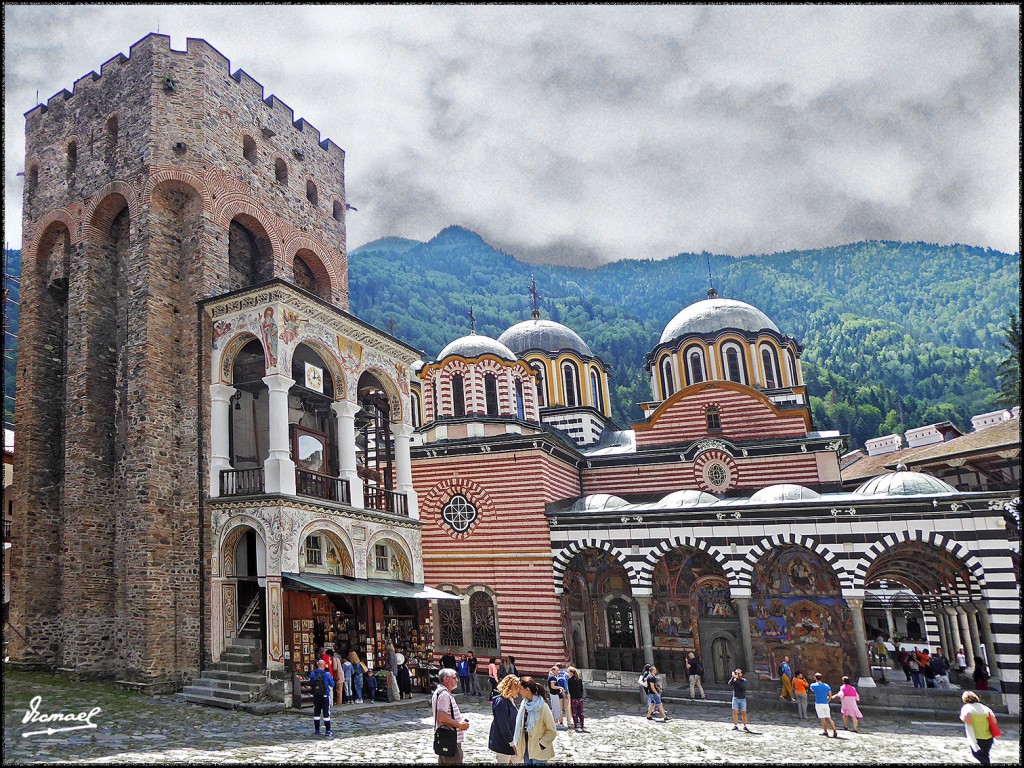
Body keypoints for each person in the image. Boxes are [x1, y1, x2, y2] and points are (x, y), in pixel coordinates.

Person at [514, 677, 557, 766]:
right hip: (527, 747)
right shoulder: (524, 705)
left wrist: (541, 744)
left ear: (527, 690)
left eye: (520, 689)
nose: (519, 691)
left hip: (539, 749)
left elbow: (552, 730)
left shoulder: (543, 707)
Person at [432, 668, 470, 765]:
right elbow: (442, 716)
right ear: (446, 679)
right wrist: (459, 725)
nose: (457, 680)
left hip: (445, 738)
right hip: (450, 740)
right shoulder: (444, 694)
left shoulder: (439, 692)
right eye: (454, 677)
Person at [489, 674, 522, 764]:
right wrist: (512, 743)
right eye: (516, 688)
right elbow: (503, 725)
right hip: (503, 743)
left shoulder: (510, 700)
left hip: (512, 741)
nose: (518, 691)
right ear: (509, 688)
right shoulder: (501, 702)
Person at [960, 690, 998, 766]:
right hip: (988, 737)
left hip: (976, 737)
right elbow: (994, 721)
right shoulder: (985, 708)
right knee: (985, 755)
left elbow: (967, 720)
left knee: (976, 754)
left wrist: (961, 717)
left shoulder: (967, 708)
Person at [309, 658, 335, 737]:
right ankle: (328, 730)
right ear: (324, 666)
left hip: (316, 695)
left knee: (316, 713)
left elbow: (311, 683)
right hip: (325, 695)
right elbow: (332, 684)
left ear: (317, 665)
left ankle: (317, 730)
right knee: (326, 713)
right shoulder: (326, 674)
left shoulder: (313, 674)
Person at [810, 672, 838, 738]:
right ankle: (834, 730)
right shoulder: (826, 686)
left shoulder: (813, 685)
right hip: (825, 703)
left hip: (819, 703)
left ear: (815, 678)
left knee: (822, 718)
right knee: (829, 717)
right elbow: (830, 695)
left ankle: (825, 731)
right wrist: (828, 701)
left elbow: (812, 689)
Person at [566, 666, 586, 732]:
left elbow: (569, 689)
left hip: (574, 698)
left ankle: (576, 725)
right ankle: (582, 725)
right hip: (580, 698)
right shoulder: (579, 680)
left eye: (569, 672)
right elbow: (581, 689)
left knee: (574, 712)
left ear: (571, 672)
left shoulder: (570, 680)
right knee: (581, 712)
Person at [557, 664, 573, 729]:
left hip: (559, 693)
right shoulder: (566, 674)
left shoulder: (556, 674)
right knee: (567, 708)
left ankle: (560, 722)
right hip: (566, 692)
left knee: (560, 708)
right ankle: (569, 721)